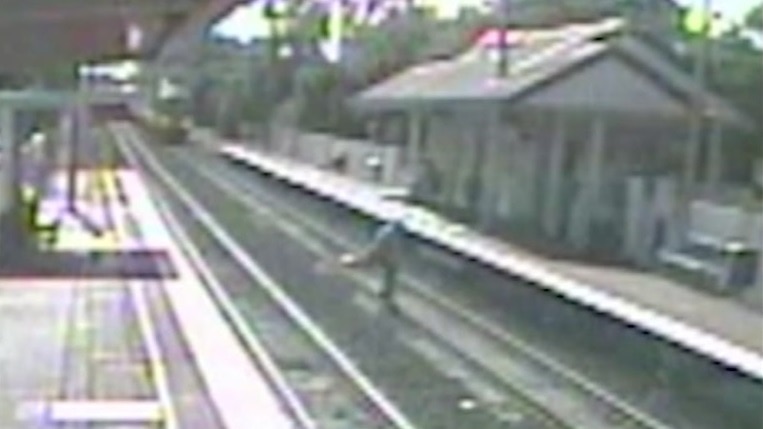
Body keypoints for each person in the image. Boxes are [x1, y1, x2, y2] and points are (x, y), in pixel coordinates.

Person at [338, 210, 407, 309]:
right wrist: (389, 256)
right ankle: (347, 261)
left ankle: (386, 292)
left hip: (383, 253)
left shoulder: (389, 231)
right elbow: (388, 246)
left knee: (390, 272)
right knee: (366, 263)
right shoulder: (390, 233)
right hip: (380, 252)